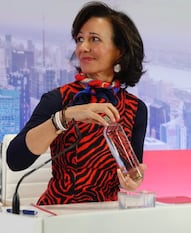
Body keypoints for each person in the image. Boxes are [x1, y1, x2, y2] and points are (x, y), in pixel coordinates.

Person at [7, 1, 147, 205]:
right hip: (59, 213)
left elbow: (132, 171)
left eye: (94, 39)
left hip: (108, 214)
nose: (83, 47)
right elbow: (15, 160)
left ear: (120, 51)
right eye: (80, 39)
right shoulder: (58, 99)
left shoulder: (136, 109)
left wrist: (133, 181)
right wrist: (65, 117)